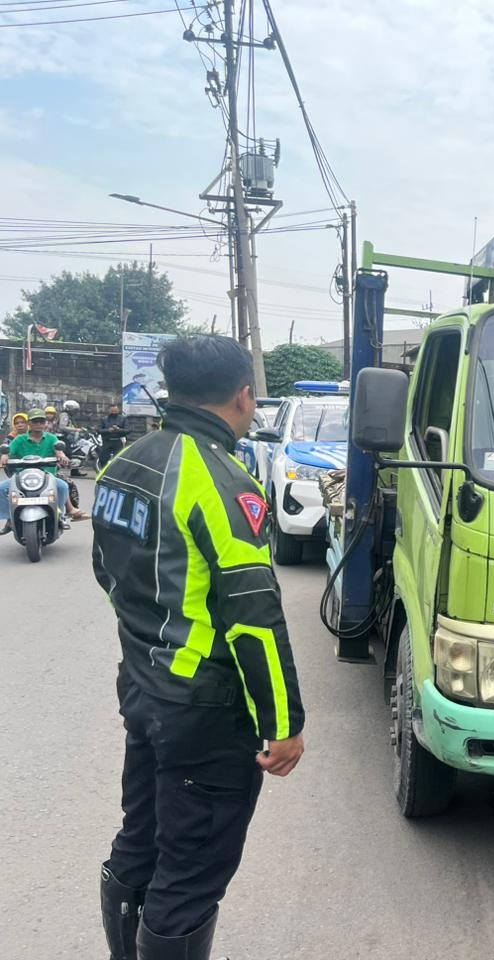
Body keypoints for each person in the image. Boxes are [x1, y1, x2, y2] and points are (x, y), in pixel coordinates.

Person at [93, 335, 306, 960]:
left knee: (140, 842)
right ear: (243, 396)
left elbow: (109, 573)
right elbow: (254, 620)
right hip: (204, 712)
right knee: (189, 875)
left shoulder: (122, 464)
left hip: (144, 688)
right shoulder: (221, 481)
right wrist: (284, 724)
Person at [0, 409, 73, 533]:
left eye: (41, 421)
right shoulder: (20, 439)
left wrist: (62, 456)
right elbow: (8, 452)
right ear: (29, 423)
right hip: (22, 477)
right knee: (1, 488)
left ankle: (60, 516)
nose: (38, 424)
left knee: (63, 486)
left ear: (45, 423)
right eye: (35, 421)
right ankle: (9, 518)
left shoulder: (51, 438)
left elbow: (58, 450)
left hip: (47, 476)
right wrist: (4, 456)